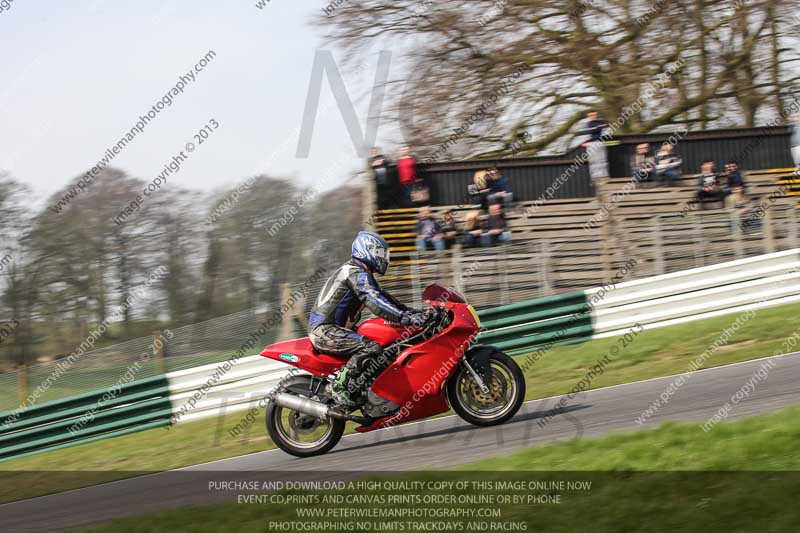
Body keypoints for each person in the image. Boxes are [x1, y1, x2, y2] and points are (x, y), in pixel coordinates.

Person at [308, 232, 427, 408]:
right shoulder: (355, 273)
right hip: (325, 331)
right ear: (367, 250)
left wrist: (414, 312)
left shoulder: (359, 272)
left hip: (334, 330)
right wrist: (404, 318)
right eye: (380, 254)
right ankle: (338, 387)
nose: (384, 259)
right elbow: (374, 301)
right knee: (371, 346)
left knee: (386, 345)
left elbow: (384, 298)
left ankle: (371, 393)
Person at [579, 110, 610, 190]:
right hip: (590, 144)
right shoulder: (585, 124)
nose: (593, 116)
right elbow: (584, 134)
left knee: (602, 160)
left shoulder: (601, 122)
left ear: (597, 114)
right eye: (591, 115)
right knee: (593, 161)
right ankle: (595, 178)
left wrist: (603, 139)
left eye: (594, 114)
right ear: (588, 116)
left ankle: (603, 177)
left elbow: (607, 131)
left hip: (600, 143)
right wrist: (584, 142)